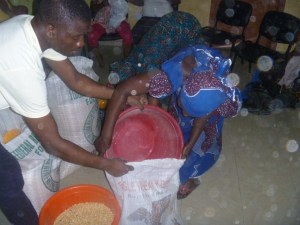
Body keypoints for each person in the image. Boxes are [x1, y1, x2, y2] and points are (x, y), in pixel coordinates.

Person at [0, 0, 136, 224]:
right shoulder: (22, 67)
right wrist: (106, 165)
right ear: (52, 30)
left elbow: (75, 80)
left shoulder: (33, 28)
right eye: (75, 36)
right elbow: (52, 144)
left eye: (83, 35)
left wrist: (122, 95)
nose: (81, 43)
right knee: (8, 179)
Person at [96, 45, 242, 199]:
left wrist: (189, 145)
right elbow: (122, 90)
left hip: (207, 114)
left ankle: (192, 177)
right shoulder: (176, 73)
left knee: (195, 155)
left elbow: (202, 116)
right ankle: (179, 137)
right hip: (192, 90)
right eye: (184, 106)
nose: (185, 113)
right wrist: (106, 135)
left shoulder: (216, 96)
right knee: (172, 135)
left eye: (190, 112)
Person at [106, 10, 203, 84]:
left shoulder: (147, 59)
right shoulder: (144, 57)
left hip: (180, 25)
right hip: (180, 22)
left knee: (154, 65)